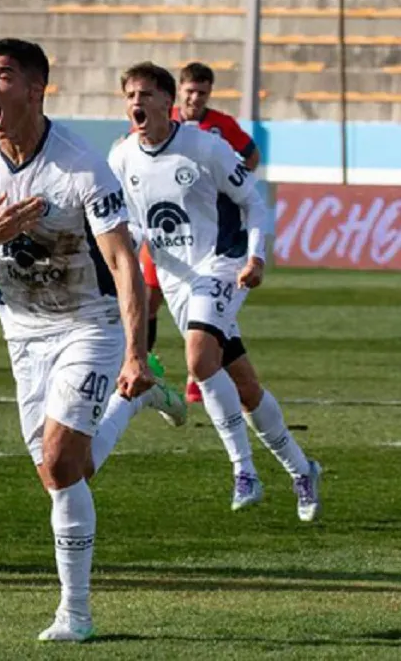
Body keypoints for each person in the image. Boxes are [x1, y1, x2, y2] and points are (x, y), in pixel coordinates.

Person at [0, 38, 184, 643]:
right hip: (21, 332)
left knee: (62, 462)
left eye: (4, 76)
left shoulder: (79, 165)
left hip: (86, 327)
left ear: (36, 89)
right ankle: (134, 400)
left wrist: (129, 349)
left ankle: (75, 614)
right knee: (63, 469)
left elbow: (124, 264)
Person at [110, 62, 322, 520]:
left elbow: (255, 203)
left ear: (168, 103)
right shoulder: (122, 158)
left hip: (222, 264)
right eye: (130, 95)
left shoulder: (205, 147)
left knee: (198, 360)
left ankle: (244, 470)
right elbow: (131, 229)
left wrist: (256, 258)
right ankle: (303, 469)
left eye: (146, 94)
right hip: (177, 278)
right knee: (245, 386)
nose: (136, 103)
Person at [144, 62, 263, 402]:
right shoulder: (160, 121)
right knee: (148, 299)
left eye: (202, 93)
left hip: (207, 234)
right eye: (190, 91)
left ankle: (198, 376)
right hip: (164, 228)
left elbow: (251, 155)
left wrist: (228, 185)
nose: (196, 98)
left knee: (206, 307)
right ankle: (145, 365)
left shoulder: (221, 126)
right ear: (179, 92)